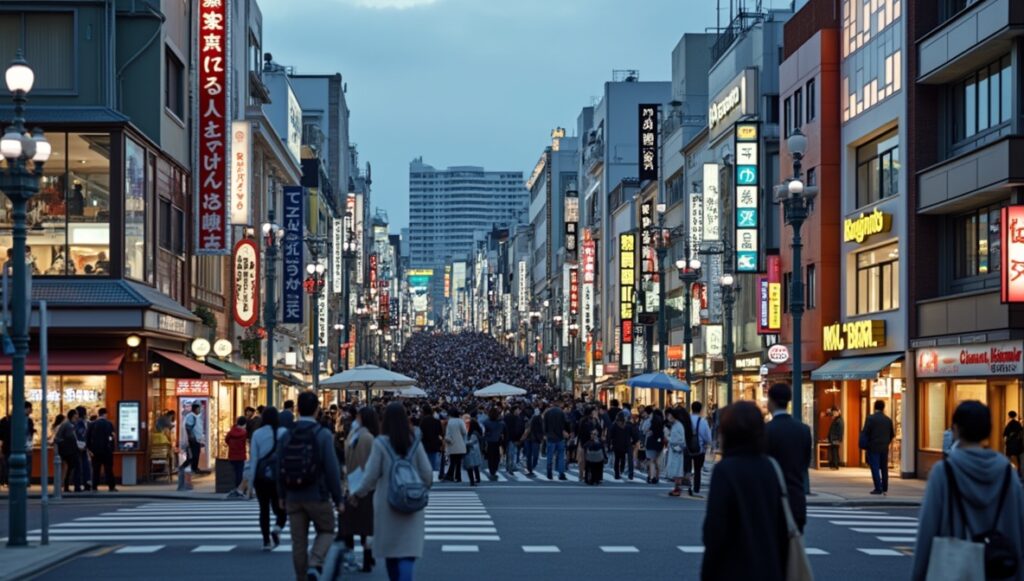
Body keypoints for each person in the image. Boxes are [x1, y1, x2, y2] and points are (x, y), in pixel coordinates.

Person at [912, 401, 1024, 581]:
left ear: (955, 429)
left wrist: (918, 575)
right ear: (989, 431)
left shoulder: (944, 472)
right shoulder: (1007, 473)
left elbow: (928, 531)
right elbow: (1018, 529)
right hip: (999, 569)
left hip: (954, 570)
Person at [701, 401, 788, 581]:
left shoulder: (725, 470)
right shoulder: (770, 467)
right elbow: (781, 527)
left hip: (732, 568)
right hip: (768, 568)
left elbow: (715, 530)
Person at [349, 402, 432, 581]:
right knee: (408, 552)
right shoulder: (414, 441)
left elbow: (370, 476)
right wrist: (419, 489)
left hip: (387, 504)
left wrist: (357, 494)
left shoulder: (381, 443)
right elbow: (427, 475)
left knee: (391, 553)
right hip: (411, 503)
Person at [276, 392, 343, 580]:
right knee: (327, 529)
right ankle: (315, 562)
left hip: (292, 496)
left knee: (299, 542)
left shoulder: (286, 435)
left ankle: (302, 577)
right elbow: (332, 469)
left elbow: (279, 466)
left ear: (297, 409)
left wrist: (281, 495)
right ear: (317, 410)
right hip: (317, 494)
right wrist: (338, 498)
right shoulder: (322, 435)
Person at [764, 383, 813, 533]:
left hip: (771, 501)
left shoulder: (765, 431)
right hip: (796, 500)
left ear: (770, 401)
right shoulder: (804, 430)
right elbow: (805, 463)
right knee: (793, 552)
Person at [243, 406, 286, 551]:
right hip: (278, 477)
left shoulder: (257, 434)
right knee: (280, 507)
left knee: (264, 509)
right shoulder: (283, 433)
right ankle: (277, 528)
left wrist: (249, 485)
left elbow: (254, 459)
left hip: (261, 478)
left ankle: (266, 541)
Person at [342, 406, 379, 573]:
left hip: (351, 485)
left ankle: (353, 557)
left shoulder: (353, 436)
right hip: (366, 487)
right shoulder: (369, 438)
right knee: (366, 527)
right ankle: (367, 557)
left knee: (349, 525)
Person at [861, 399, 896, 495]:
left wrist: (866, 444)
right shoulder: (888, 420)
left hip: (873, 447)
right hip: (884, 447)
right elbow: (892, 434)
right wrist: (886, 442)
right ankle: (885, 487)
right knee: (884, 467)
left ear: (874, 407)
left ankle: (878, 487)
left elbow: (866, 432)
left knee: (875, 467)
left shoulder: (870, 419)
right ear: (883, 408)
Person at [86, 407, 117, 491]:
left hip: (95, 451)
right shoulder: (109, 424)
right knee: (108, 469)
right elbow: (111, 437)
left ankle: (94, 486)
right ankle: (111, 486)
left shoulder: (92, 424)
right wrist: (112, 448)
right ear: (105, 414)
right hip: (107, 450)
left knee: (96, 469)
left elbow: (87, 438)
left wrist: (89, 449)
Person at [690, 402, 713, 496]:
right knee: (697, 470)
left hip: (687, 448)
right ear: (700, 410)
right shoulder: (702, 421)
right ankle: (696, 488)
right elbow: (708, 438)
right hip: (699, 449)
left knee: (686, 468)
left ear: (691, 408)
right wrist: (708, 444)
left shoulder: (687, 420)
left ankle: (685, 485)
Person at [55, 410, 82, 493]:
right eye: (76, 416)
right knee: (75, 467)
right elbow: (68, 437)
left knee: (71, 467)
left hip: (69, 450)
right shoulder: (67, 425)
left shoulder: (69, 424)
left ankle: (68, 485)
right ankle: (75, 486)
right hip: (69, 450)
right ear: (72, 416)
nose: (77, 418)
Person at [543, 402, 568, 480]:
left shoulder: (547, 413)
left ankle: (549, 472)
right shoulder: (561, 413)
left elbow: (545, 425)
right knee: (561, 456)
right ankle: (561, 473)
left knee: (550, 456)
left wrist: (545, 434)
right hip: (560, 437)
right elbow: (566, 423)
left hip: (550, 437)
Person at [666, 409, 688, 496]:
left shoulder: (678, 425)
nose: (668, 417)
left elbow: (680, 440)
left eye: (670, 415)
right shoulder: (676, 425)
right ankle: (676, 488)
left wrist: (668, 438)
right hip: (674, 449)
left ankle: (678, 488)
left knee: (677, 469)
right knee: (676, 469)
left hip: (676, 450)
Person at [443, 408, 467, 482]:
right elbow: (464, 432)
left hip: (452, 443)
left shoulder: (450, 422)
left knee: (453, 460)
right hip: (460, 443)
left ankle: (450, 475)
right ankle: (458, 476)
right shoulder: (460, 421)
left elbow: (447, 434)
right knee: (458, 461)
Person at [225, 416, 248, 493]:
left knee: (234, 471)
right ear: (244, 424)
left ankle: (236, 487)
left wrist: (232, 446)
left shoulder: (231, 432)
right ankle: (239, 488)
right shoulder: (244, 433)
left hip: (232, 455)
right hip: (241, 455)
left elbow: (226, 440)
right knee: (240, 472)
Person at [418, 404, 443, 474]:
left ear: (424, 412)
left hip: (425, 445)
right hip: (435, 444)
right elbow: (440, 432)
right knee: (434, 464)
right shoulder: (437, 421)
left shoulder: (423, 421)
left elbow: (420, 433)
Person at [482, 407, 505, 480]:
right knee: (497, 457)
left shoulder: (486, 422)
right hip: (498, 442)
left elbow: (483, 432)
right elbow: (504, 432)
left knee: (490, 458)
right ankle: (494, 470)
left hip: (489, 442)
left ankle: (492, 471)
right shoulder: (501, 423)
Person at [609, 411, 632, 480]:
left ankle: (617, 474)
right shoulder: (626, 425)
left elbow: (611, 435)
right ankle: (621, 469)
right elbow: (630, 434)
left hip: (616, 444)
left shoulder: (614, 425)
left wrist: (610, 443)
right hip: (624, 444)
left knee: (617, 459)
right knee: (623, 458)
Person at [183, 403, 205, 476]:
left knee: (196, 454)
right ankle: (185, 468)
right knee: (194, 455)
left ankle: (195, 468)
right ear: (195, 409)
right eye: (199, 409)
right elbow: (188, 427)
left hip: (197, 439)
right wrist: (192, 437)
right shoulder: (191, 416)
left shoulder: (196, 416)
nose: (200, 410)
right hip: (193, 439)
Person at [74, 406, 92, 491]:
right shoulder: (85, 423)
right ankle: (86, 483)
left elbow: (78, 435)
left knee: (78, 466)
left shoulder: (77, 423)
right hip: (83, 447)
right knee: (85, 466)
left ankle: (79, 484)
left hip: (78, 447)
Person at [645, 409, 665, 484]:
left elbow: (645, 431)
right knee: (656, 461)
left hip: (651, 444)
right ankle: (657, 476)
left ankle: (651, 477)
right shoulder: (662, 424)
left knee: (651, 461)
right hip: (659, 444)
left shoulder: (651, 423)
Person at [522, 407, 543, 476]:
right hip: (529, 438)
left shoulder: (537, 418)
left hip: (534, 438)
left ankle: (531, 467)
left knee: (534, 455)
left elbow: (542, 427)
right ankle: (529, 469)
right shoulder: (524, 417)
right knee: (529, 455)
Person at [503, 405, 524, 474]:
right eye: (518, 409)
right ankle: (511, 466)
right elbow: (518, 429)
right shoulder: (516, 418)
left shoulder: (507, 417)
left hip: (509, 437)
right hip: (513, 438)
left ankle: (509, 466)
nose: (519, 411)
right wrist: (518, 439)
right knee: (512, 453)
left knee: (510, 453)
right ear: (514, 410)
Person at [463, 419, 484, 486]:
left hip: (472, 451)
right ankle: (477, 478)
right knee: (475, 466)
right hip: (476, 451)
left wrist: (463, 443)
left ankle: (472, 481)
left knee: (470, 466)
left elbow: (470, 442)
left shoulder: (473, 434)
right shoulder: (477, 432)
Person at [1004, 411, 1024, 478]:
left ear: (1009, 416)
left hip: (1010, 443)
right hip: (1018, 444)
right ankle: (1019, 474)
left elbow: (1005, 434)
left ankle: (1008, 473)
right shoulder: (1018, 424)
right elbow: (1021, 432)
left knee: (1008, 457)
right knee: (1019, 459)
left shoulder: (1009, 424)